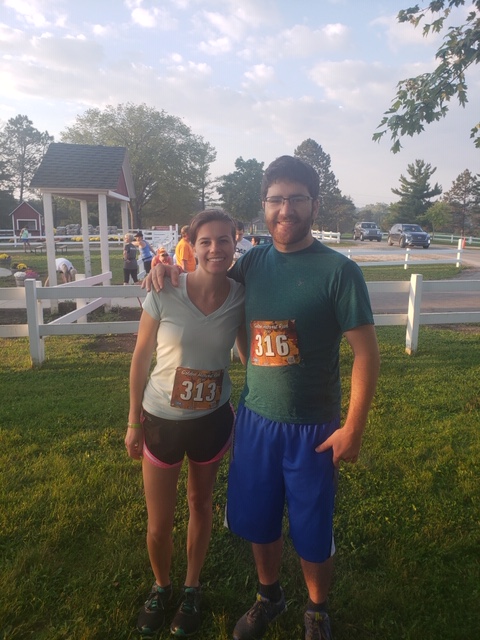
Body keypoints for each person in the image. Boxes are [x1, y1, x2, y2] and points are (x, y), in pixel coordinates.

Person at [144, 155, 380, 640]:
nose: (285, 210)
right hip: (254, 420)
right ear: (264, 205)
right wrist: (164, 268)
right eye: (276, 200)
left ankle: (317, 610)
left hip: (313, 426)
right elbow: (207, 277)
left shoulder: (339, 272)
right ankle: (268, 595)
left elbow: (366, 353)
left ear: (314, 205)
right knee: (259, 517)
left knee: (312, 527)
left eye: (297, 199)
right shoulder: (252, 262)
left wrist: (353, 428)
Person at [126, 209, 245, 638]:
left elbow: (249, 353)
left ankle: (191, 587)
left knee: (201, 503)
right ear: (191, 247)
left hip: (212, 420)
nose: (215, 249)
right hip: (162, 420)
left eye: (223, 240)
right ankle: (162, 587)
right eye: (205, 242)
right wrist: (133, 421)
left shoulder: (241, 295)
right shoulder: (165, 289)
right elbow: (140, 357)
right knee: (159, 522)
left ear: (235, 243)